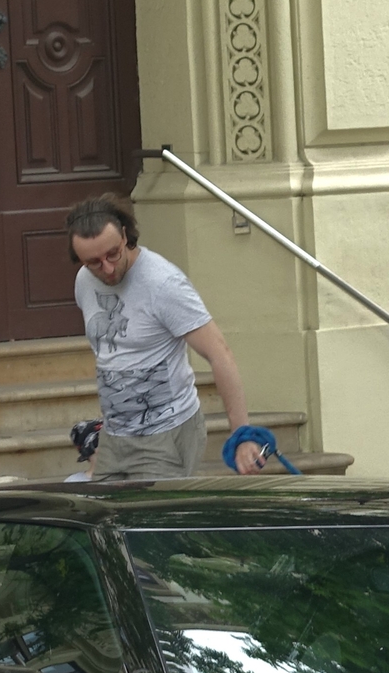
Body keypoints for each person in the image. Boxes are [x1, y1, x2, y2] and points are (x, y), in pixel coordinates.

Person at [66, 193, 261, 479]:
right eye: (93, 262)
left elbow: (220, 354)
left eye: (113, 254)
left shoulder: (163, 284)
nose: (106, 268)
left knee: (150, 521)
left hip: (166, 436)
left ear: (124, 235)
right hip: (114, 438)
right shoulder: (84, 281)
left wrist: (242, 435)